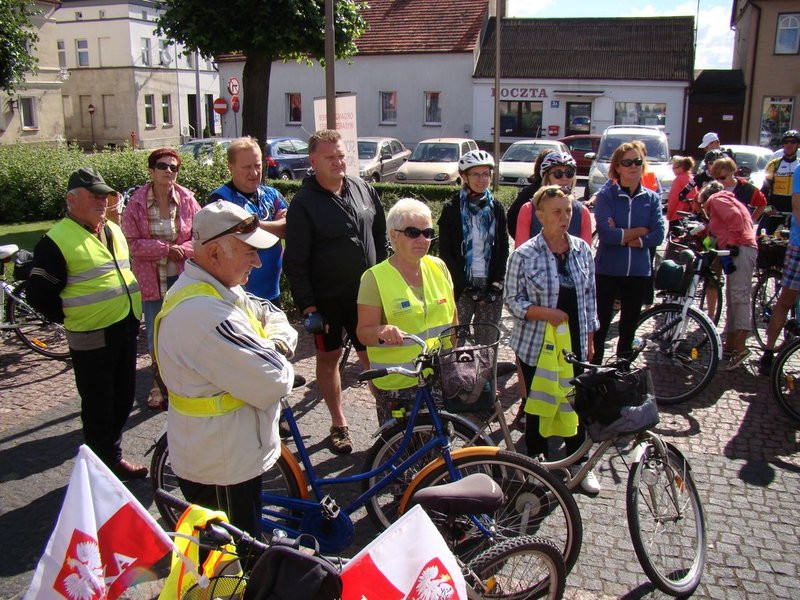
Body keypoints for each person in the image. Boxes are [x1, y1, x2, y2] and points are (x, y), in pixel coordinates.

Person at [154, 200, 297, 534]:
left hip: (228, 453)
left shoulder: (219, 288)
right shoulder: (203, 313)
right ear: (215, 253)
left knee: (243, 545)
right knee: (233, 557)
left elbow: (270, 313)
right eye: (249, 251)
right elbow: (275, 379)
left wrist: (271, 345)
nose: (258, 262)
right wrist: (276, 351)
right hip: (221, 465)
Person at [26, 167, 146, 479]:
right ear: (72, 199)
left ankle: (109, 459)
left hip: (125, 326)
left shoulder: (111, 230)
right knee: (98, 406)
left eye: (104, 196)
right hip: (91, 335)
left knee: (122, 398)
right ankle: (100, 471)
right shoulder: (56, 240)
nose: (101, 202)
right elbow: (38, 294)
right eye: (93, 196)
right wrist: (72, 316)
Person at [284, 129, 389, 454]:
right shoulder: (303, 203)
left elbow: (381, 235)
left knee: (374, 358)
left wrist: (386, 280)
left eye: (341, 155)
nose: (338, 162)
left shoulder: (362, 188)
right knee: (328, 360)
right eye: (329, 157)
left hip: (367, 298)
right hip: (326, 302)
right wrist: (308, 307)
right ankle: (339, 423)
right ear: (313, 161)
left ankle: (389, 421)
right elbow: (295, 261)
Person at [504, 185, 600, 493]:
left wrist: (590, 337)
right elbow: (512, 300)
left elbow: (590, 296)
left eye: (568, 210)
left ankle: (577, 463)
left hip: (574, 344)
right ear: (540, 215)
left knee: (575, 403)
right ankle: (536, 461)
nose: (564, 217)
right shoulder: (524, 255)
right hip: (536, 345)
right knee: (539, 404)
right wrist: (545, 313)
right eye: (557, 211)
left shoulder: (582, 250)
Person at [356, 198, 457, 425]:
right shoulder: (375, 278)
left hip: (436, 376)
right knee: (400, 442)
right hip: (397, 384)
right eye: (413, 232)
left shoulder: (439, 267)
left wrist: (454, 364)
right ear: (394, 235)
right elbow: (363, 333)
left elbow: (453, 319)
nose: (423, 239)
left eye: (428, 233)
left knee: (439, 439)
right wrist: (381, 331)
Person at [122, 147, 201, 410]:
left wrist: (182, 250)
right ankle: (159, 385)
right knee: (156, 336)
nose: (169, 171)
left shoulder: (188, 199)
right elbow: (132, 243)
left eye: (173, 167)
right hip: (152, 280)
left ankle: (186, 382)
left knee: (186, 330)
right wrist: (166, 249)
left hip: (183, 278)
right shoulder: (136, 203)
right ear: (151, 171)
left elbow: (201, 235)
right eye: (163, 166)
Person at [593, 142, 665, 363]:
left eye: (637, 161)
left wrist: (633, 238)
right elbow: (606, 234)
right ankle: (594, 370)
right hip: (608, 269)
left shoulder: (652, 198)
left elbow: (658, 235)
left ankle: (622, 371)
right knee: (600, 325)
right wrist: (641, 230)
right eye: (627, 162)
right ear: (617, 166)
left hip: (638, 271)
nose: (633, 166)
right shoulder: (606, 196)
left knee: (628, 328)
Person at [438, 150, 508, 345]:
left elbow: (503, 248)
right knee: (454, 340)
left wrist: (496, 284)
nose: (481, 179)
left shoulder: (497, 208)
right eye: (475, 174)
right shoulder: (451, 208)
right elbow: (446, 253)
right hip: (461, 284)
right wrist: (465, 286)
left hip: (489, 280)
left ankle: (485, 368)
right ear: (464, 176)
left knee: (487, 342)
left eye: (486, 174)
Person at [209, 136, 288, 306]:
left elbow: (288, 229)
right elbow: (233, 237)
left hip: (272, 292)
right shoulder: (221, 199)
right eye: (246, 167)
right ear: (231, 167)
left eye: (257, 165)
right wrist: (274, 225)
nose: (254, 173)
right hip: (238, 295)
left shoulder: (271, 195)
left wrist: (250, 224)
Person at [696, 182, 758, 369]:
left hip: (740, 249)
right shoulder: (728, 199)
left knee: (739, 296)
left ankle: (741, 347)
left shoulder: (717, 199)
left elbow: (735, 219)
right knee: (733, 296)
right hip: (739, 249)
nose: (704, 211)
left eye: (702, 206)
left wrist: (731, 243)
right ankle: (731, 344)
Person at [759, 159, 800, 376]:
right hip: (799, 245)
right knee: (786, 299)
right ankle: (768, 351)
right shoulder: (799, 170)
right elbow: (797, 208)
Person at [514, 151, 592, 247]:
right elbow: (521, 250)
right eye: (558, 174)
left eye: (569, 173)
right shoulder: (528, 209)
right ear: (547, 177)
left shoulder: (583, 212)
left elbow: (586, 252)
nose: (564, 178)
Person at [506, 148, 556, 237]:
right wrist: (524, 238)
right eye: (557, 172)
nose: (564, 177)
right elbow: (511, 219)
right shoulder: (529, 195)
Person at [761, 130, 800, 234]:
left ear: (798, 145)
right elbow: (765, 188)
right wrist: (767, 206)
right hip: (776, 206)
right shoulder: (774, 164)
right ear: (783, 144)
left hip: (795, 206)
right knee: (763, 235)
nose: (789, 145)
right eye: (786, 142)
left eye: (793, 142)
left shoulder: (799, 165)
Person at [709, 157, 767, 222]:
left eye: (723, 178)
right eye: (716, 178)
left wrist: (750, 221)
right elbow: (701, 203)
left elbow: (762, 204)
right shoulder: (713, 187)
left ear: (732, 173)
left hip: (739, 226)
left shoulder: (746, 187)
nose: (719, 181)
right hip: (717, 226)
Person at [666, 155, 695, 232]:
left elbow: (673, 199)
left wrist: (669, 214)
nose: (673, 170)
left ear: (681, 168)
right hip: (690, 215)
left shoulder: (678, 180)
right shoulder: (691, 178)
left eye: (674, 168)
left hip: (678, 215)